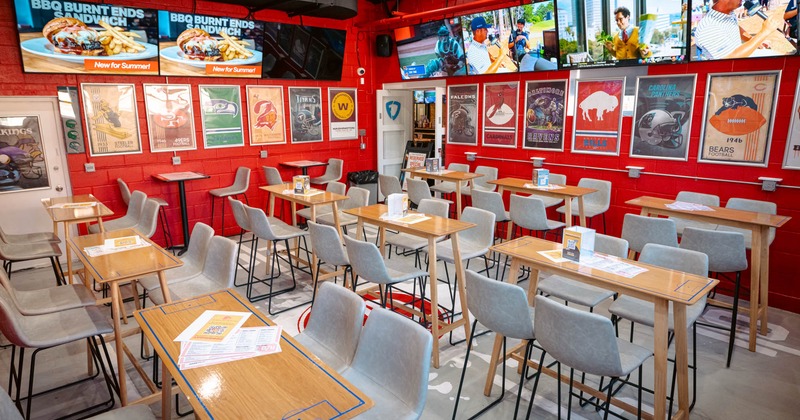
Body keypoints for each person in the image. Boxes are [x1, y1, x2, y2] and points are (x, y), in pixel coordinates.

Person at [694, 0, 783, 60]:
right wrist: (764, 32)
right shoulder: (708, 28)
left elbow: (735, 27)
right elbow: (729, 59)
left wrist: (752, 40)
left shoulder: (728, 13)